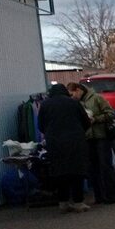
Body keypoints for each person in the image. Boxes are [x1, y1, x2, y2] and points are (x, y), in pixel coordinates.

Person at [37, 83, 91, 212]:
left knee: (60, 173)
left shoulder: (45, 104)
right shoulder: (74, 103)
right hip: (75, 141)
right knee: (77, 172)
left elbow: (40, 125)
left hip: (55, 143)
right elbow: (86, 122)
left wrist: (50, 133)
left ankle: (63, 203)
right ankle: (78, 202)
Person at [67, 81, 115, 204]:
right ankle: (99, 196)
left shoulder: (97, 98)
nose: (71, 97)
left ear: (78, 90)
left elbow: (110, 113)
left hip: (101, 136)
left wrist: (96, 119)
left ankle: (113, 195)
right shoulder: (76, 103)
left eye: (72, 94)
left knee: (105, 166)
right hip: (88, 138)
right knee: (92, 168)